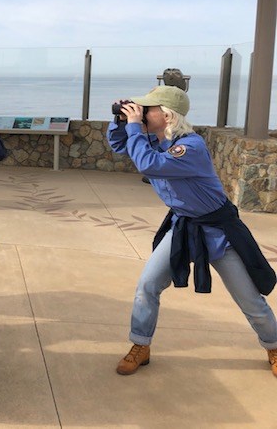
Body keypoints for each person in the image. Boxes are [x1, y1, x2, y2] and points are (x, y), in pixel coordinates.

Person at [107, 85, 277, 377]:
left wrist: (135, 126)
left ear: (168, 115)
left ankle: (273, 345)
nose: (143, 112)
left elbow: (150, 163)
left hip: (218, 231)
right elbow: (119, 144)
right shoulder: (155, 139)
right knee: (147, 287)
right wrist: (121, 121)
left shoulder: (190, 147)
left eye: (149, 108)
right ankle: (141, 345)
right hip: (183, 225)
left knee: (248, 298)